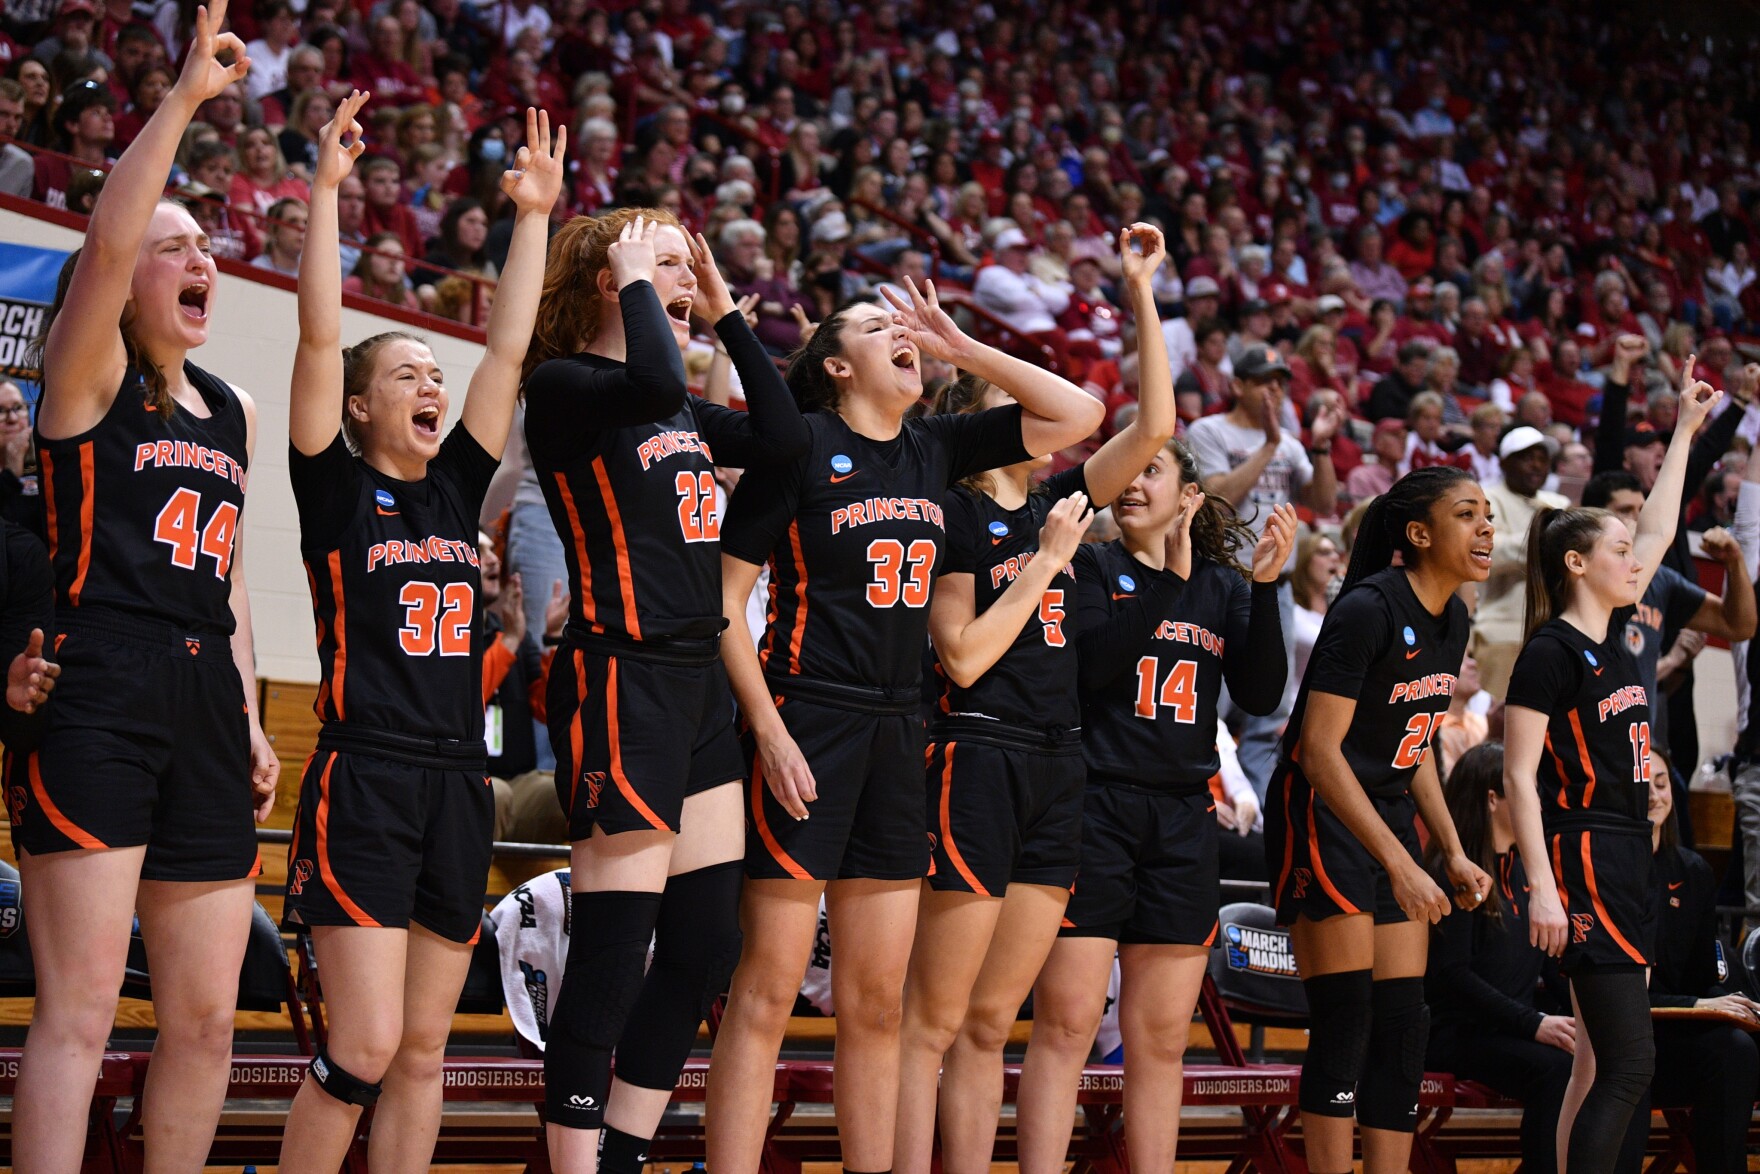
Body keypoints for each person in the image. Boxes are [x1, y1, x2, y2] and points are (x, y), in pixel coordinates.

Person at [709, 278, 1103, 1174]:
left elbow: (1080, 412)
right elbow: (725, 601)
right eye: (875, 326)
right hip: (808, 717)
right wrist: (767, 729)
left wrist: (963, 349)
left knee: (878, 1002)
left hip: (900, 733)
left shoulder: (938, 446)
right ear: (837, 366)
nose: (900, 332)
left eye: (903, 326)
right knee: (766, 993)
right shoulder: (801, 444)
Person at [6, 6, 279, 1168]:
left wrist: (252, 711)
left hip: (204, 693)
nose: (199, 259)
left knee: (207, 1020)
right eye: (176, 248)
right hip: (101, 683)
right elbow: (109, 242)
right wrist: (181, 101)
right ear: (120, 286)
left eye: (207, 246)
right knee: (78, 1013)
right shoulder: (86, 376)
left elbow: (230, 576)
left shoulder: (235, 410)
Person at [275, 97, 563, 1172]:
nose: (432, 384)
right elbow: (318, 336)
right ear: (357, 408)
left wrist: (532, 217)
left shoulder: (455, 487)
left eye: (433, 375)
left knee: (424, 1051)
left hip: (459, 782)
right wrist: (324, 194)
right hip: (364, 776)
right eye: (406, 374)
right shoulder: (335, 492)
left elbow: (508, 348)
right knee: (362, 1046)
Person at [520, 207, 810, 1174]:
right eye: (668, 265)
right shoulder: (564, 387)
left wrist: (725, 312)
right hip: (621, 679)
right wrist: (642, 272)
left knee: (703, 946)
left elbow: (784, 440)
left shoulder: (680, 408)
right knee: (613, 956)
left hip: (696, 686)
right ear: (613, 279)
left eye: (688, 267)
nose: (684, 278)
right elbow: (647, 378)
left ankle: (621, 1155)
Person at [893, 225, 1177, 1174]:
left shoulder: (1061, 500)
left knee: (989, 1025)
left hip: (1060, 763)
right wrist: (1048, 563)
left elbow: (1151, 427)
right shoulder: (955, 511)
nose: (1037, 409)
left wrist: (1141, 291)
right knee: (932, 1022)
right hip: (976, 750)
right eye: (1011, 398)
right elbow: (964, 657)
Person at [1022, 445, 1294, 1174]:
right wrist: (1168, 581)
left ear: (1189, 495)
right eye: (1127, 469)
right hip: (1094, 806)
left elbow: (1261, 693)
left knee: (1163, 1039)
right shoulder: (1088, 566)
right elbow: (1092, 666)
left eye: (1152, 471)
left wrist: (1266, 585)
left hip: (1182, 820)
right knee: (1068, 1023)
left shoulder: (1222, 586)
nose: (1132, 483)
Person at [1500, 361, 1721, 1174]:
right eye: (1619, 551)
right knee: (1632, 1065)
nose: (1637, 561)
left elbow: (1657, 528)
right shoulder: (1550, 653)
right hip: (1585, 851)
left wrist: (1685, 432)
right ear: (1576, 564)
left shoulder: (1615, 634)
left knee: (1596, 1065)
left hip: (1625, 849)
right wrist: (1542, 886)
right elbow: (1518, 777)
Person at [1265, 465, 1495, 1174]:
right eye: (1467, 514)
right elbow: (1317, 751)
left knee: (1402, 1025)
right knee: (1347, 1018)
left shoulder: (1455, 617)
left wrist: (1449, 850)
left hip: (1385, 810)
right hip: (1320, 807)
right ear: (1419, 534)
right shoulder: (1368, 609)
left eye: (1488, 514)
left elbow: (1415, 741)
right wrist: (1400, 864)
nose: (1487, 528)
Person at [1186, 342, 1340, 799]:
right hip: (1222, 577)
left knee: (1271, 707)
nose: (1274, 391)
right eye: (1263, 382)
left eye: (1280, 383)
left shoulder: (1291, 444)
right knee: (1212, 695)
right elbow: (1217, 501)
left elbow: (1323, 502)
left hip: (1279, 587)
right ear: (1237, 385)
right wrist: (1270, 445)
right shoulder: (1209, 431)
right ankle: (1208, 796)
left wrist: (1321, 445)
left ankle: (1257, 806)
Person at [1424, 741, 1583, 1174]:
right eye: (1526, 789)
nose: (1538, 802)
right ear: (1492, 798)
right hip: (1457, 1034)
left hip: (1510, 1029)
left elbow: (1550, 961)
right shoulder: (1452, 873)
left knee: (1596, 1059)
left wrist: (1592, 1014)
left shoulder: (1526, 871)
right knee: (1556, 1069)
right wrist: (1534, 1024)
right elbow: (1452, 975)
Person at [1645, 760, 1760, 1174]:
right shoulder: (1606, 869)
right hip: (1624, 1038)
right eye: (1643, 784)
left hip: (1678, 1030)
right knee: (1732, 1052)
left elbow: (1705, 980)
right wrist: (1699, 1005)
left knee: (1740, 1043)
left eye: (1662, 784)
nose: (1654, 795)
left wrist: (1739, 1007)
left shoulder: (1692, 872)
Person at [1474, 426, 1568, 699]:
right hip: (1502, 630)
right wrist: (1550, 537)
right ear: (1504, 463)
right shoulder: (1486, 499)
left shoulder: (1557, 502)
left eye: (1543, 459)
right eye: (1527, 458)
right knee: (1496, 716)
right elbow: (1489, 551)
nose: (1537, 465)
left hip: (1553, 630)